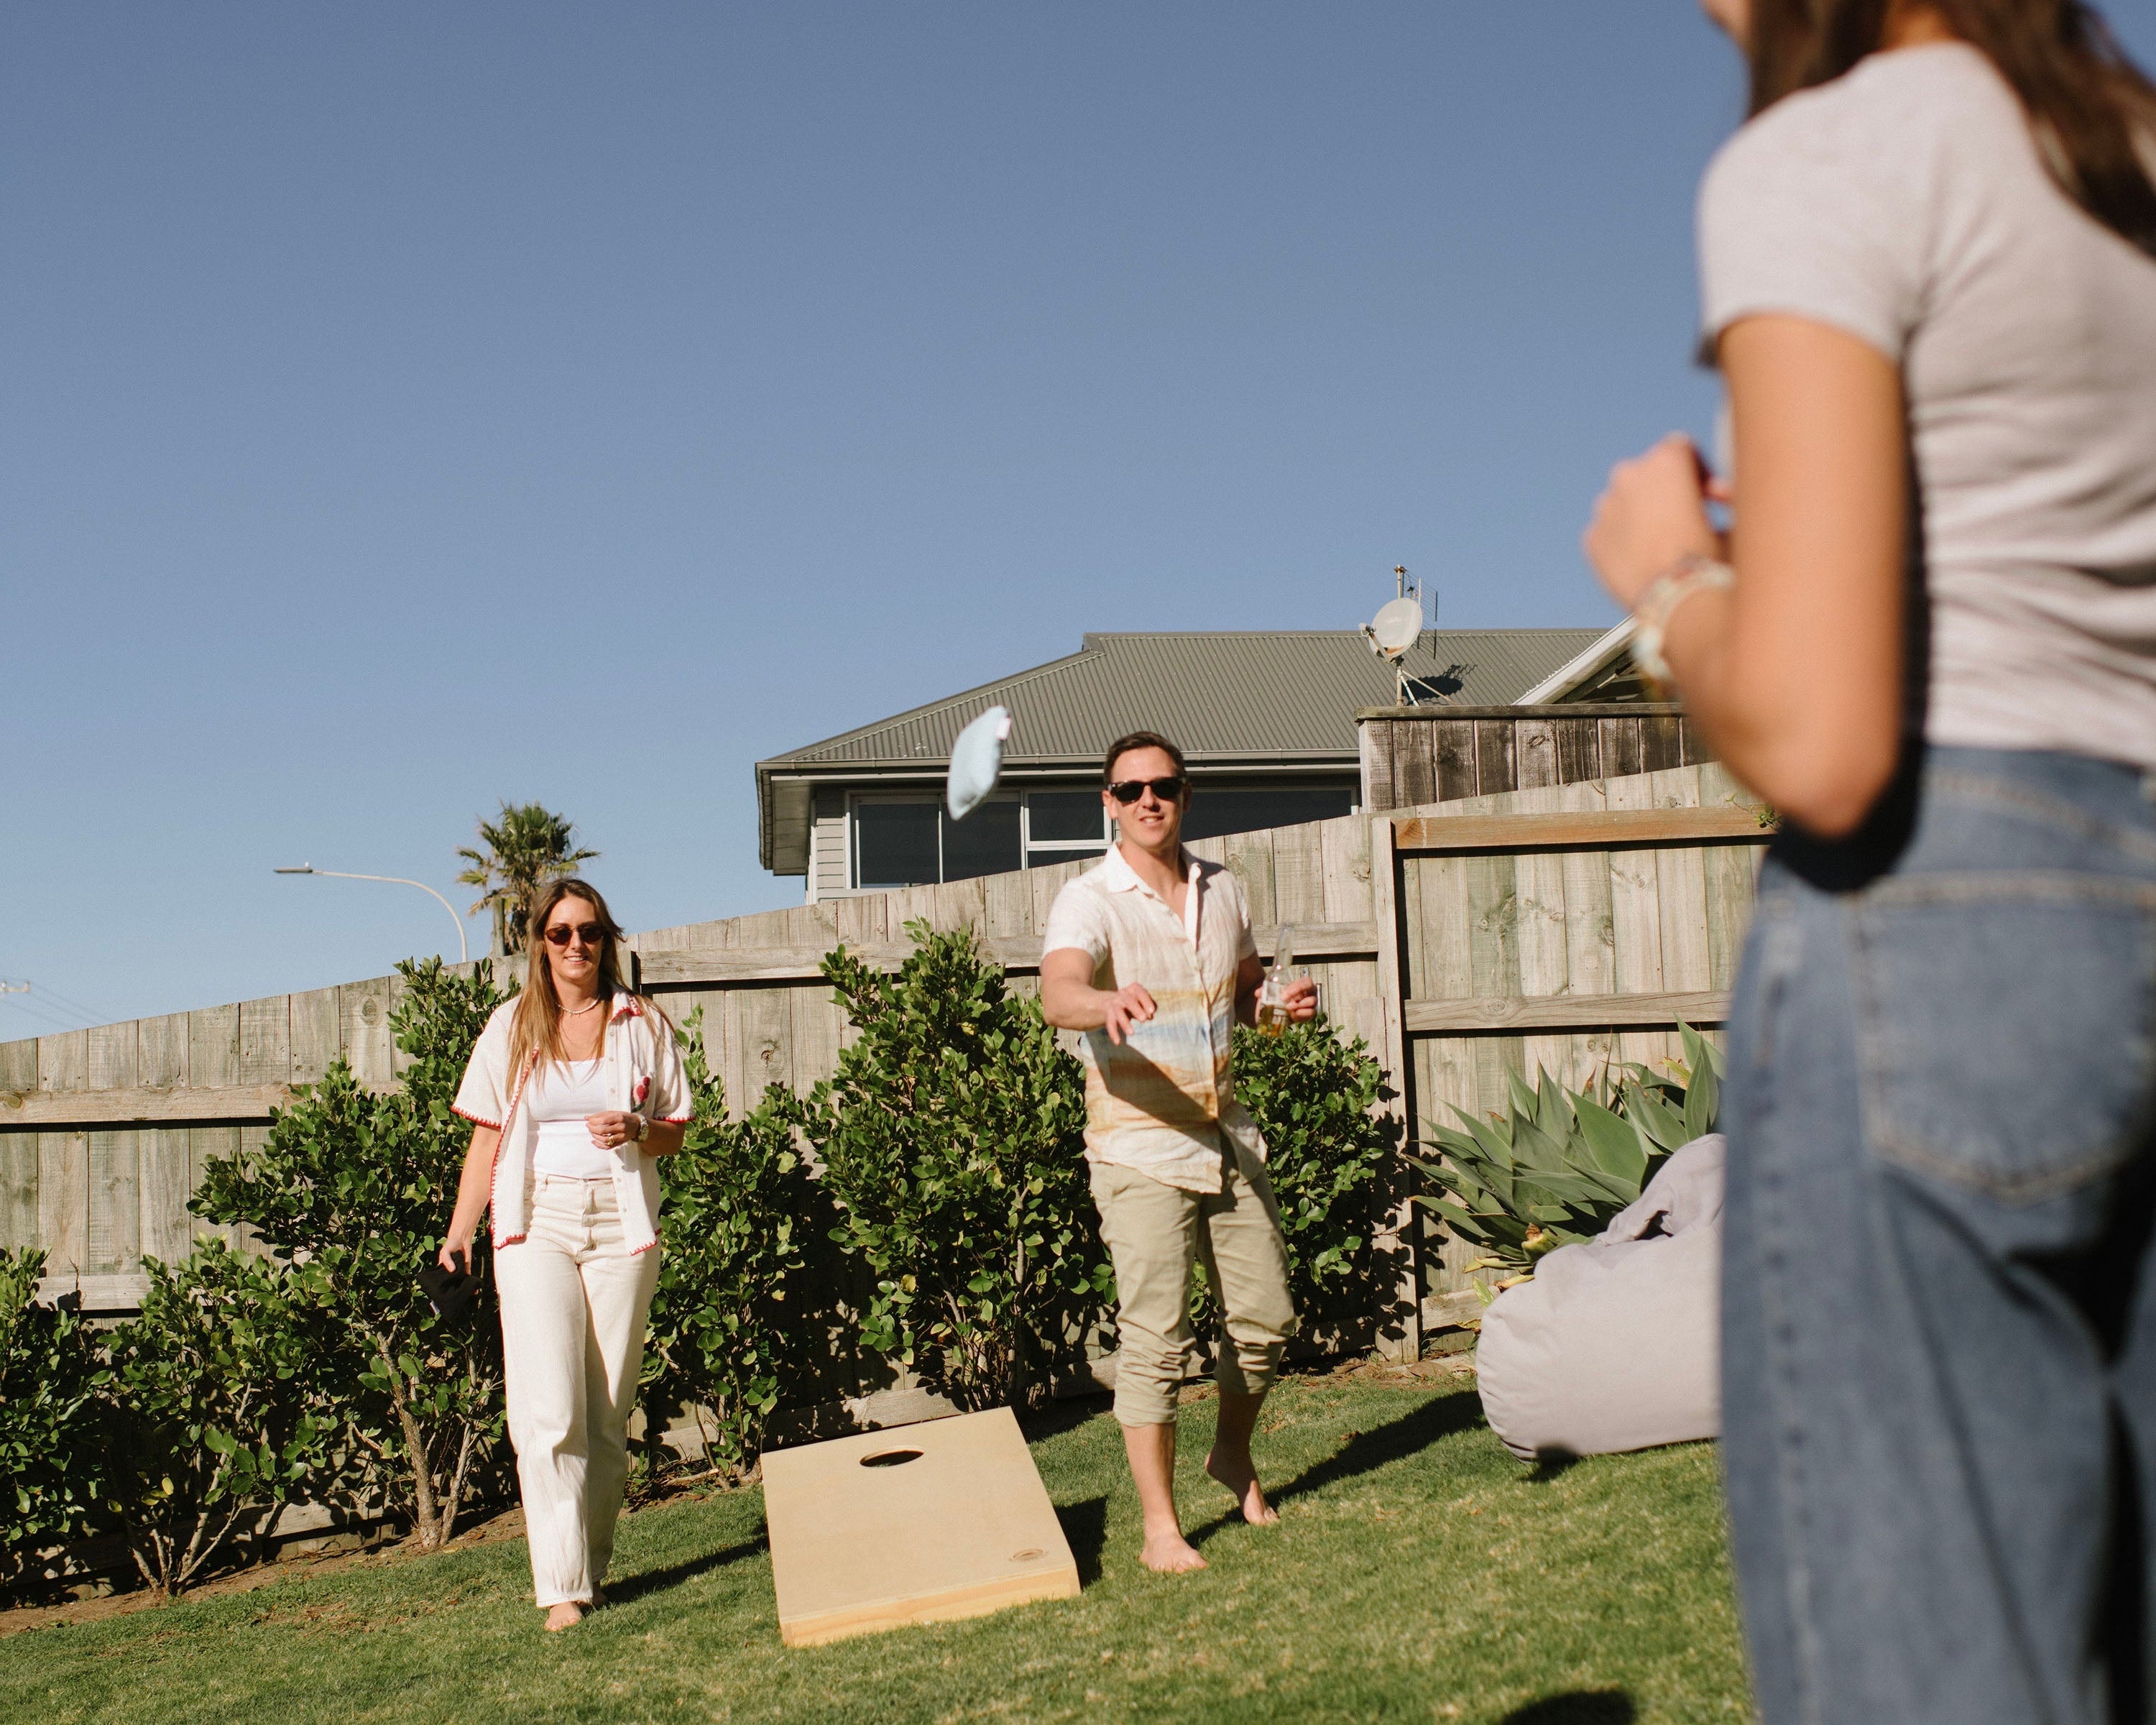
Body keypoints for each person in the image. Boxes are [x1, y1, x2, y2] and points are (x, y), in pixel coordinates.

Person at [1583, 1, 2156, 1718]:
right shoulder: (2120, 153)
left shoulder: (1824, 155)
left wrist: (1673, 580)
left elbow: (1821, 742)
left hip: (1947, 925)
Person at [1038, 731, 1318, 1573]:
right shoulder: (1090, 898)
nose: (1148, 800)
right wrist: (1104, 1002)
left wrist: (1276, 1009)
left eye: (1163, 786)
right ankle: (1162, 1528)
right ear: (1108, 805)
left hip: (1226, 1132)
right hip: (1138, 1143)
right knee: (1156, 1337)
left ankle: (1230, 1455)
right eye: (1130, 791)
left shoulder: (1223, 888)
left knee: (1266, 1322)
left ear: (1186, 795)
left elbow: (1240, 989)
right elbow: (1057, 991)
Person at [439, 878, 692, 1632]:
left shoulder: (641, 1023)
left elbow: (676, 1127)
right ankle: (562, 1592)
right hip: (534, 1222)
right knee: (548, 1412)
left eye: (589, 932)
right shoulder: (510, 1027)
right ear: (539, 944)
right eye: (560, 934)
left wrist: (639, 1129)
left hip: (621, 1226)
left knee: (607, 1413)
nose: (576, 946)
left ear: (606, 939)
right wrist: (458, 1235)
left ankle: (591, 1564)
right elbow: (486, 1136)